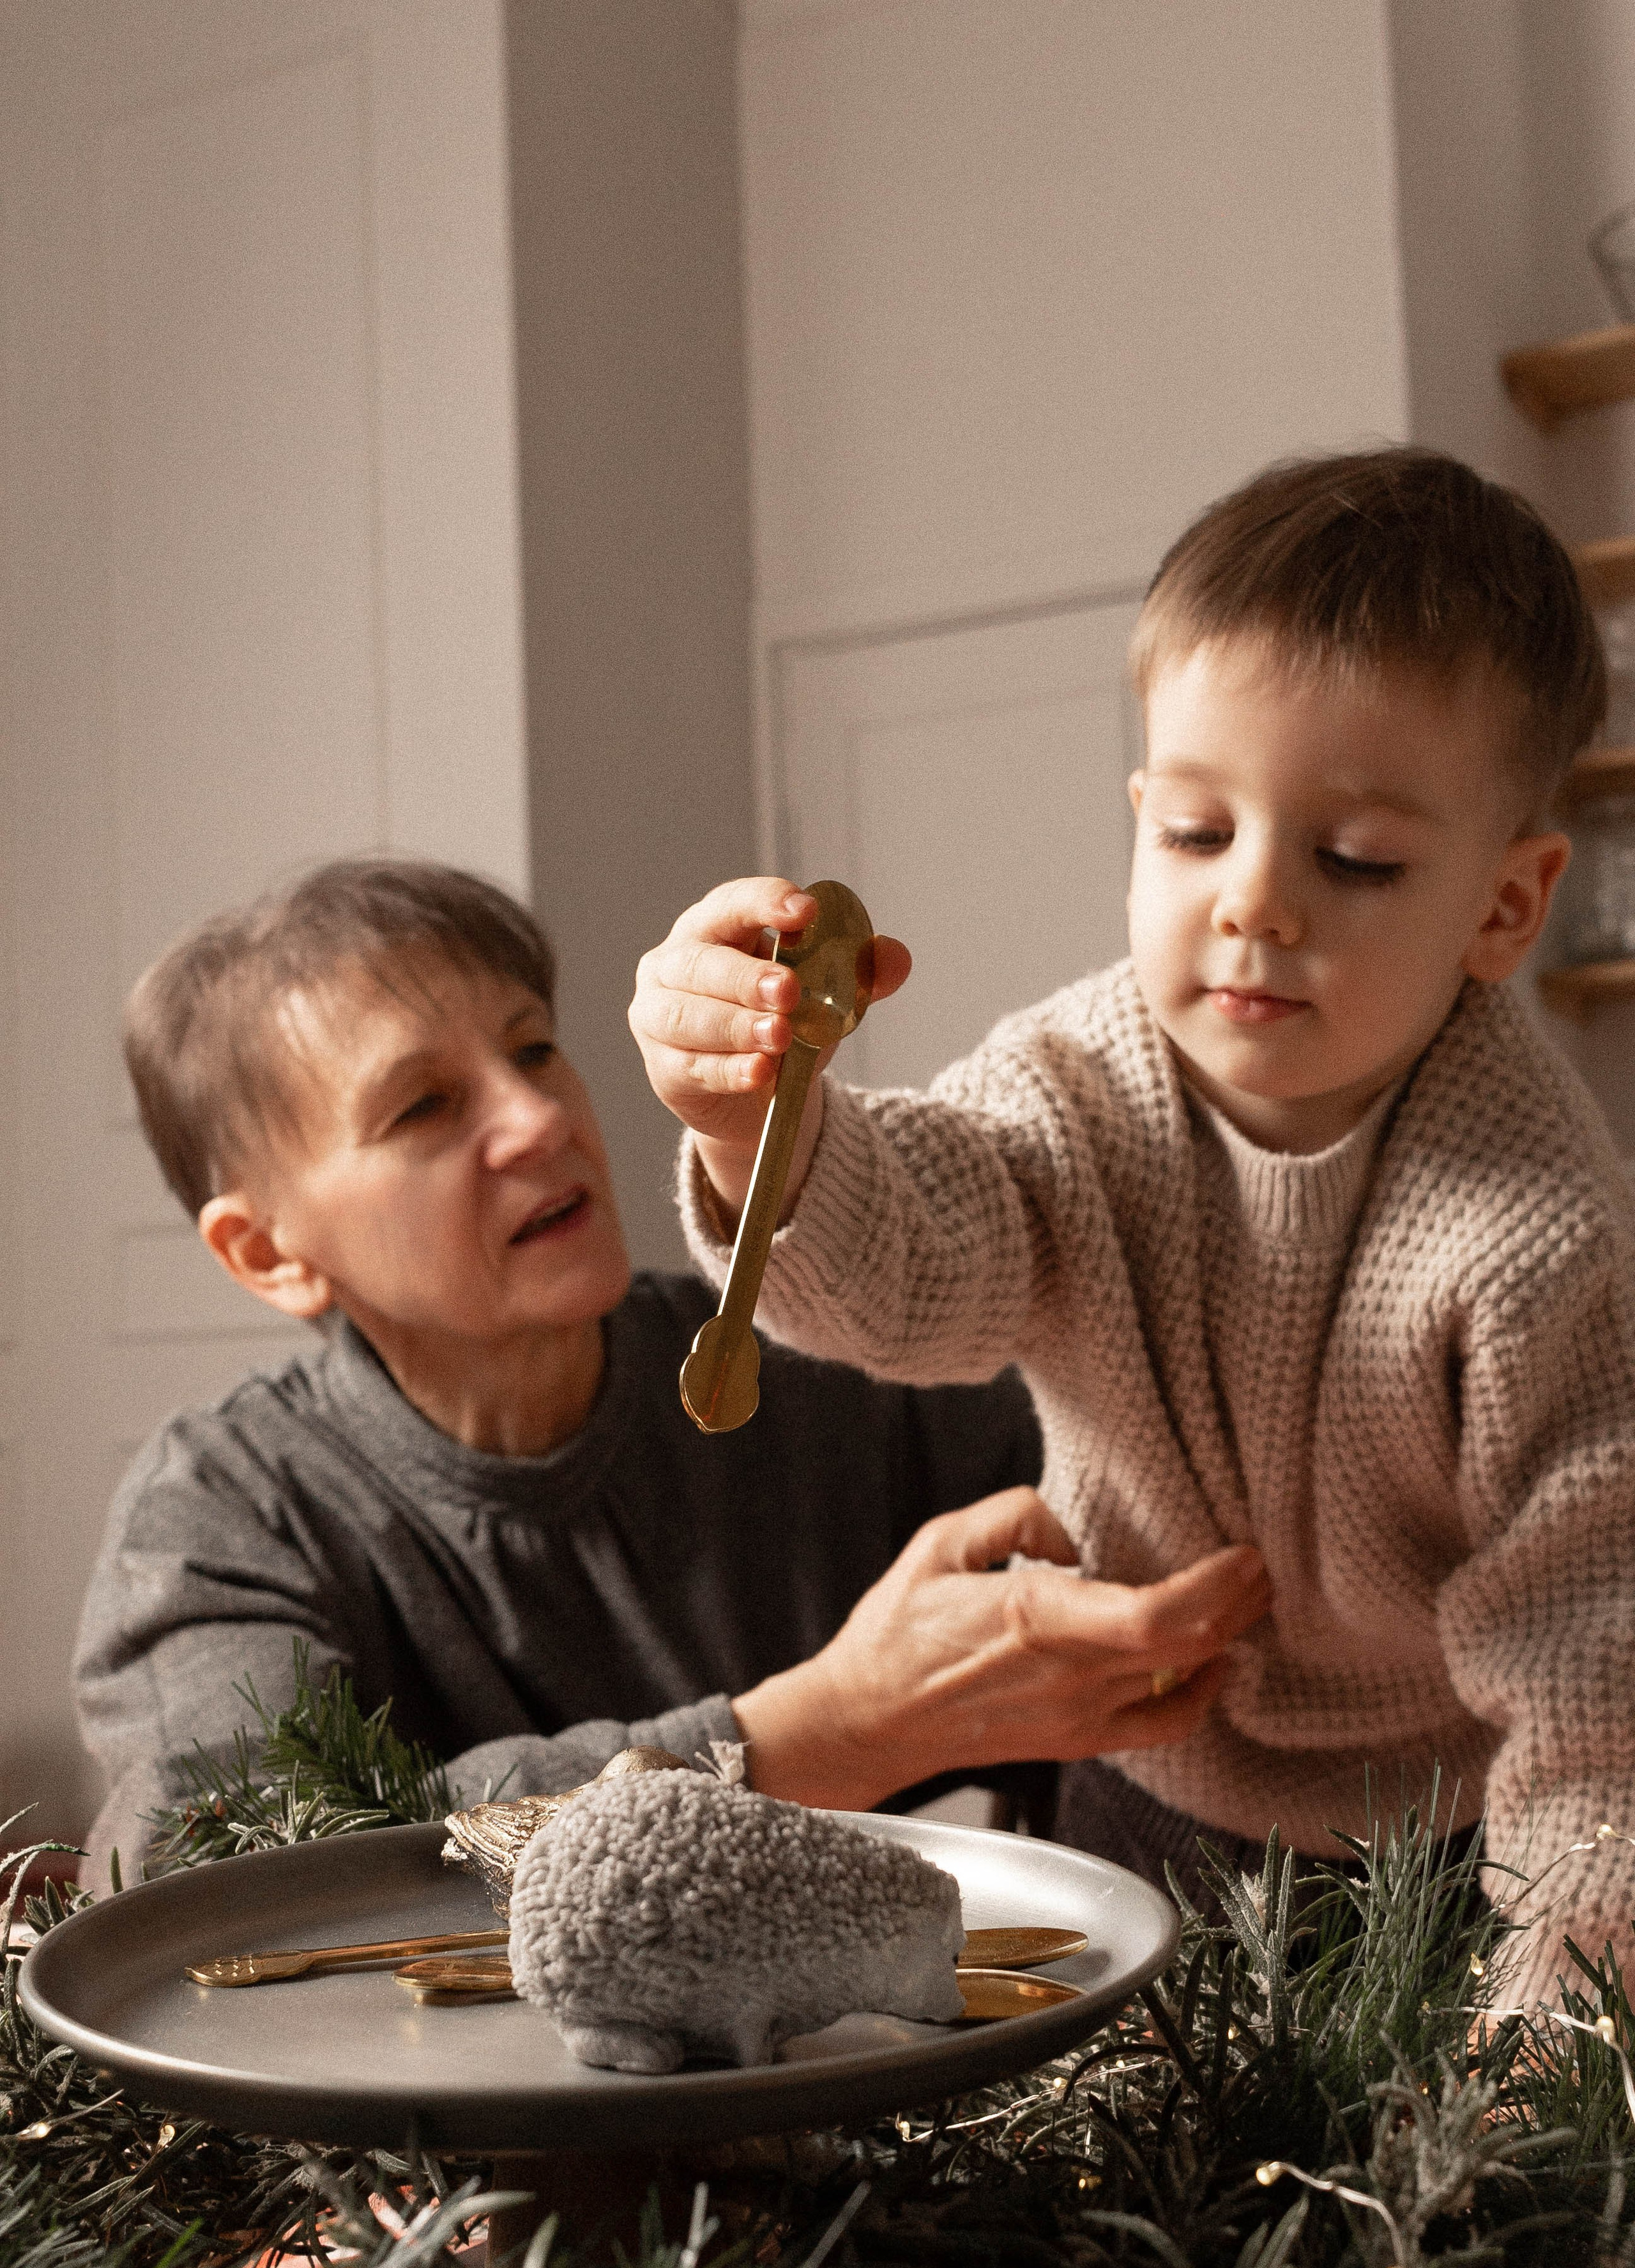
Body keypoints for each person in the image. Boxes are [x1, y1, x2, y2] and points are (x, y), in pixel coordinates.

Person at [630, 446, 1635, 2012]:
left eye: (1352, 858)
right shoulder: (1075, 1083)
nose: (1253, 903)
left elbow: (1596, 1722)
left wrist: (1546, 2045)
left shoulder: (1537, 1238)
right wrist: (763, 1126)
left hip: (1461, 1853)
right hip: (1137, 1793)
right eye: (1190, 833)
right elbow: (909, 1276)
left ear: (1504, 908)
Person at [74, 860, 1267, 1891]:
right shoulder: (217, 1515)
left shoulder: (823, 1356)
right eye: (425, 1106)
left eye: (534, 1046)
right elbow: (215, 1872)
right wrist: (811, 1739)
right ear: (267, 1252)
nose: (539, 1117)